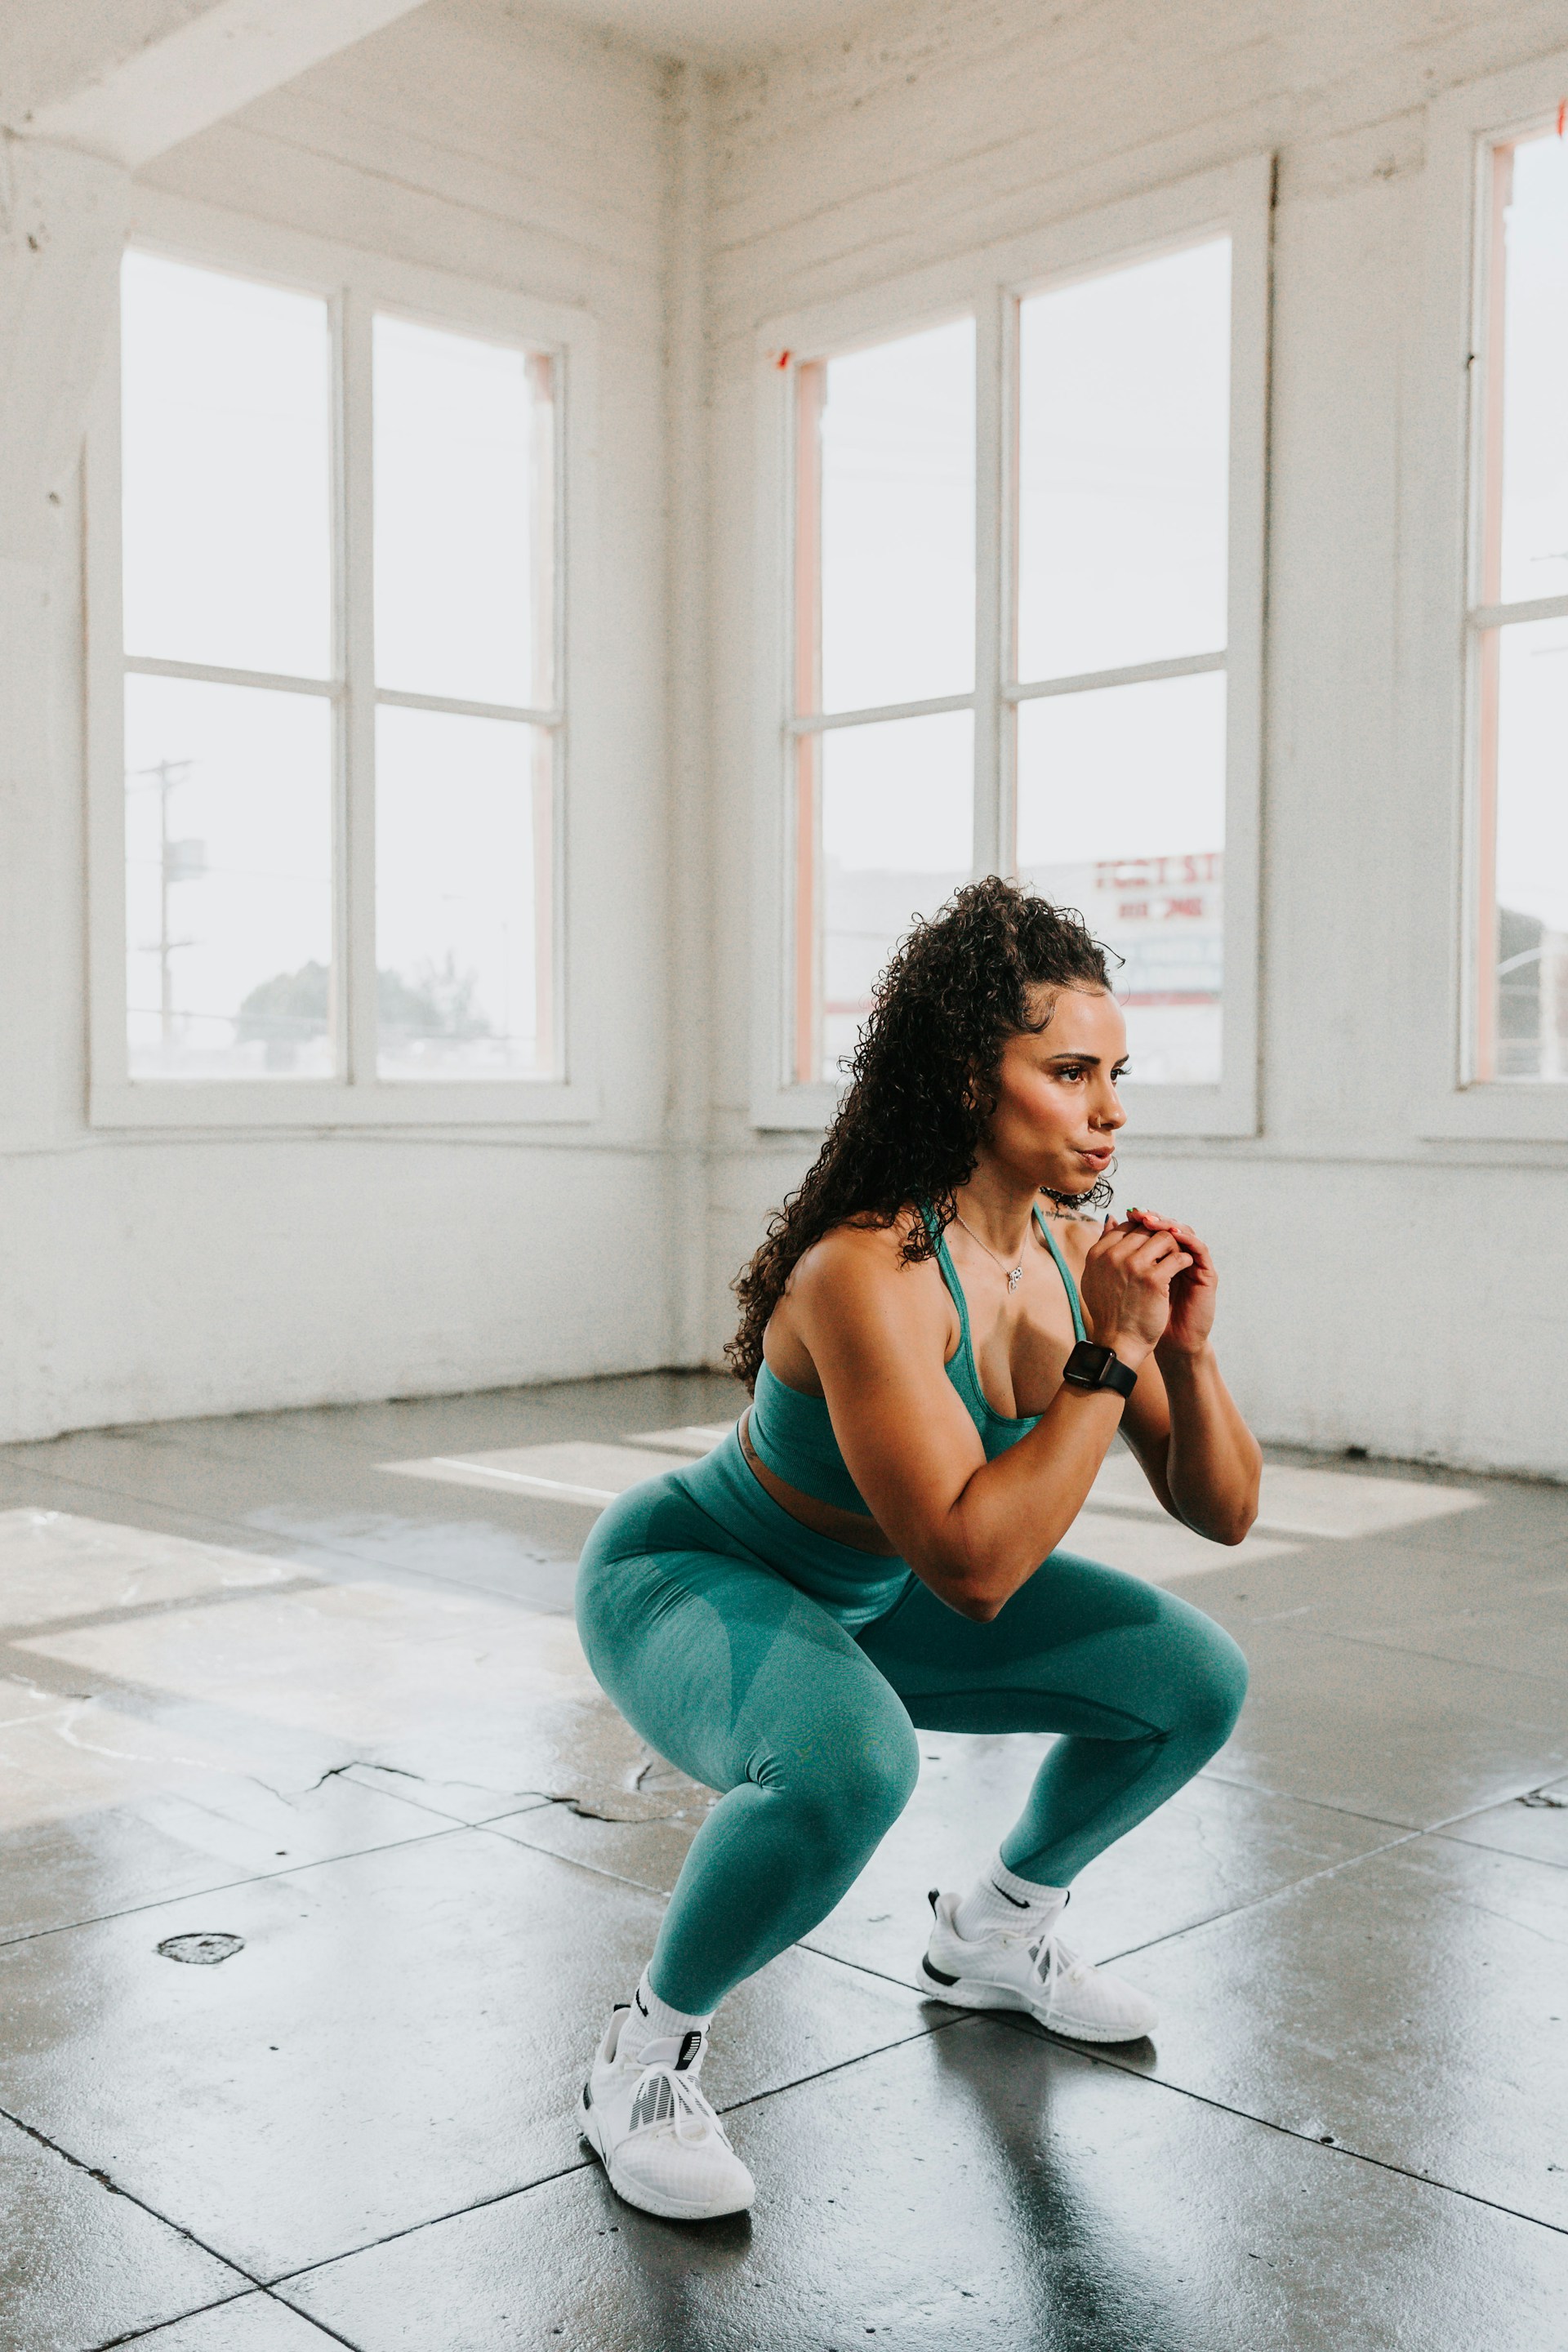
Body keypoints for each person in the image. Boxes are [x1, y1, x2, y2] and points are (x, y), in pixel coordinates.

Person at [576, 878, 1258, 2221]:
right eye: (1068, 1072)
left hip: (870, 1593)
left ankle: (995, 1931)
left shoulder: (1069, 1258)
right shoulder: (863, 1273)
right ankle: (642, 2053)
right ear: (964, 1081)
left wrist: (1184, 1346)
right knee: (851, 1767)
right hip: (696, 1575)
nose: (1108, 1110)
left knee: (1193, 1681)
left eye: (1116, 1074)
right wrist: (1109, 1356)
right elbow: (977, 1567)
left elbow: (1224, 1509)